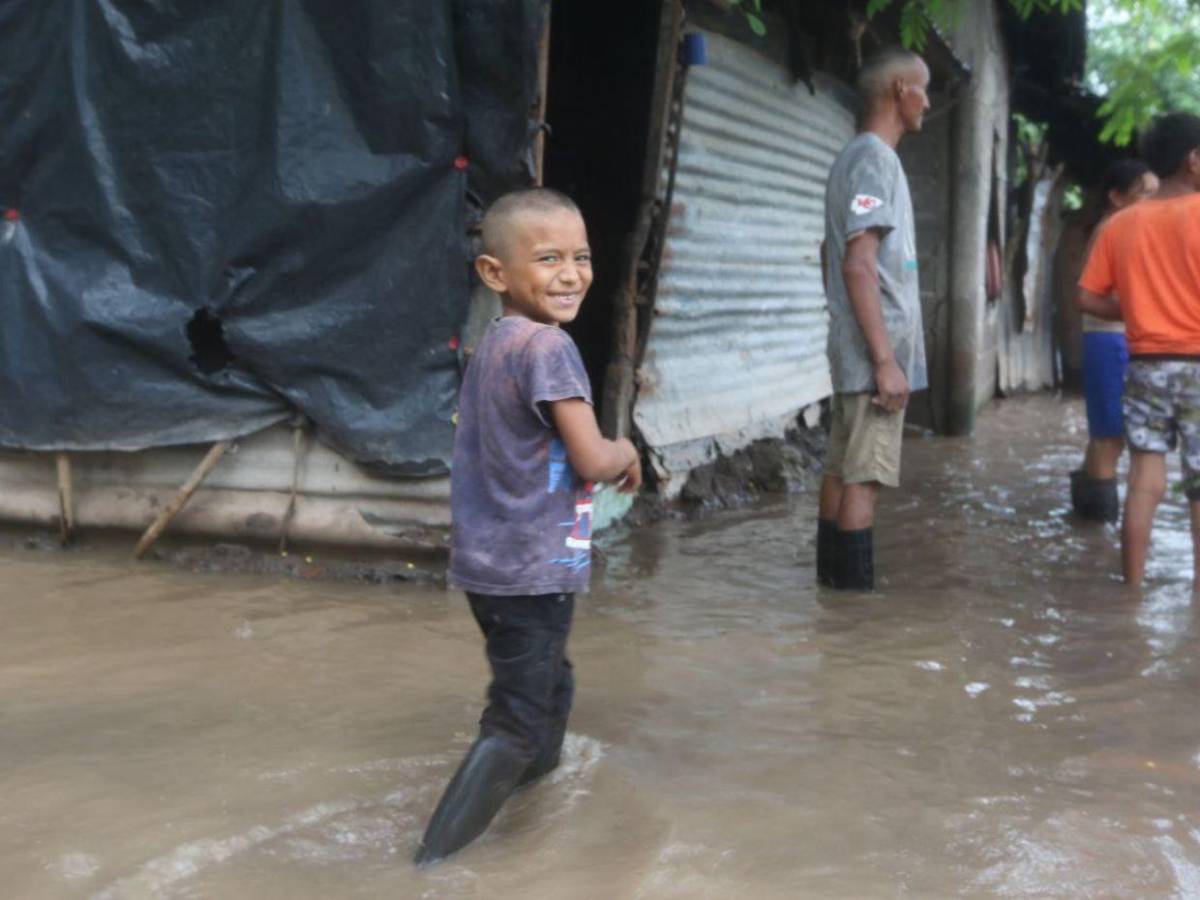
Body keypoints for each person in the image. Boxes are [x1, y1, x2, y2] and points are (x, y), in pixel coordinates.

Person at [414, 188, 641, 865]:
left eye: (581, 256)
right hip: (530, 566)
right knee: (514, 722)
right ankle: (426, 866)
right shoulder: (548, 349)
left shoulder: (496, 345)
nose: (571, 273)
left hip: (493, 566)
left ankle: (530, 811)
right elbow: (591, 457)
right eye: (548, 259)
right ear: (495, 274)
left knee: (551, 685)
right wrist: (626, 452)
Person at [816, 47, 930, 591]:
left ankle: (831, 602)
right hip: (871, 353)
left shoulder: (854, 158)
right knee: (864, 477)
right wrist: (885, 359)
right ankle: (854, 614)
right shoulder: (875, 160)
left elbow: (828, 255)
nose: (928, 102)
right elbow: (857, 262)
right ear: (901, 91)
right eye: (924, 89)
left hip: (855, 344)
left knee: (842, 469)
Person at [1076, 112, 1200, 587]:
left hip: (1145, 363)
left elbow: (1085, 296)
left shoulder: (1122, 223)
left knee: (1144, 479)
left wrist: (1141, 310)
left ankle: (1131, 589)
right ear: (1193, 159)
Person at [1069, 160, 1158, 522]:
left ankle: (1086, 525)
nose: (1154, 202)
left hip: (1104, 341)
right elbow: (1089, 296)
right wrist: (1144, 310)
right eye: (1146, 194)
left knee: (1103, 436)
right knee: (1111, 438)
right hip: (1111, 341)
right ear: (1117, 197)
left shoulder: (1113, 226)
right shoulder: (1117, 230)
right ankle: (1100, 530)